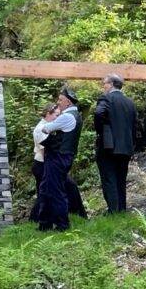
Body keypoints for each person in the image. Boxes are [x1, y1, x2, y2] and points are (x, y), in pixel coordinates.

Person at [38, 87, 83, 231]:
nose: (58, 103)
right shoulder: (76, 115)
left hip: (59, 157)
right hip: (62, 156)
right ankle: (45, 223)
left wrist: (50, 124)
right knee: (46, 188)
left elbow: (45, 129)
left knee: (56, 191)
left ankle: (62, 225)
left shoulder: (67, 116)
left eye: (60, 100)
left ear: (68, 102)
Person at [94, 73, 137, 213]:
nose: (103, 86)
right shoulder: (130, 102)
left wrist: (102, 130)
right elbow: (136, 125)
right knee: (121, 179)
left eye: (104, 83)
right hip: (126, 146)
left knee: (109, 178)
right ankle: (121, 209)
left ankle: (113, 211)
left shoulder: (106, 98)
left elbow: (99, 113)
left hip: (108, 146)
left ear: (111, 84)